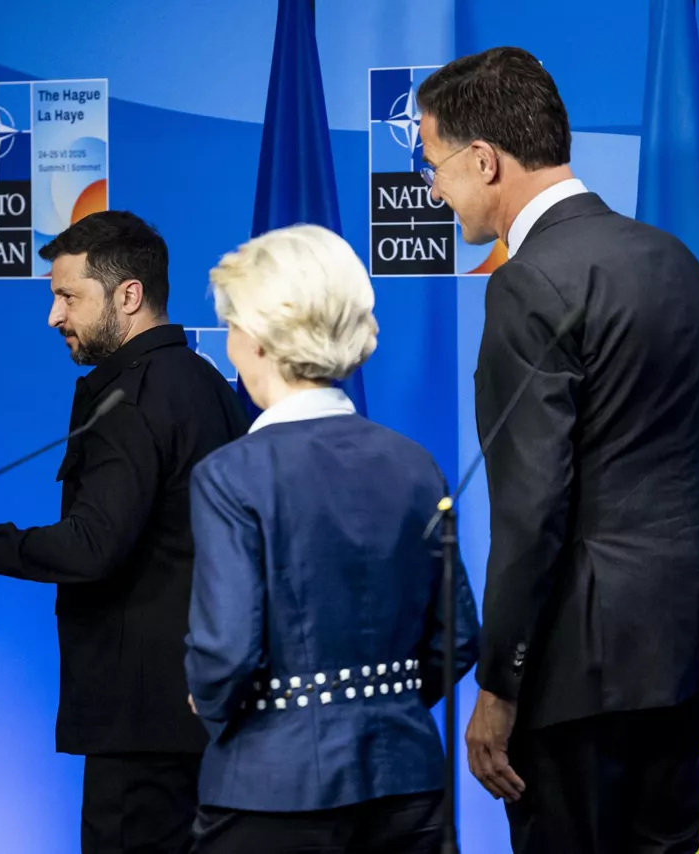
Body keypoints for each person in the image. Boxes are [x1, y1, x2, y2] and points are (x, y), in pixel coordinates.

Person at [417, 47, 699, 853]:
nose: (433, 189)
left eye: (435, 165)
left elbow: (532, 512)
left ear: (485, 160)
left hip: (577, 670)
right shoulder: (681, 265)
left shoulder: (527, 282)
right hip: (685, 643)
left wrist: (499, 684)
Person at [0, 210, 250, 853]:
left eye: (67, 297)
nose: (54, 317)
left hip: (139, 733)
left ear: (128, 296)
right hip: (204, 714)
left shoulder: (132, 400)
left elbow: (90, 548)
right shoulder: (205, 383)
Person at [183, 224, 480, 854]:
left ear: (258, 339)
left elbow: (226, 651)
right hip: (407, 782)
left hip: (270, 790)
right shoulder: (415, 464)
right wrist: (384, 705)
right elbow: (457, 636)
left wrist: (209, 700)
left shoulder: (232, 474)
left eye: (233, 324)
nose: (231, 341)